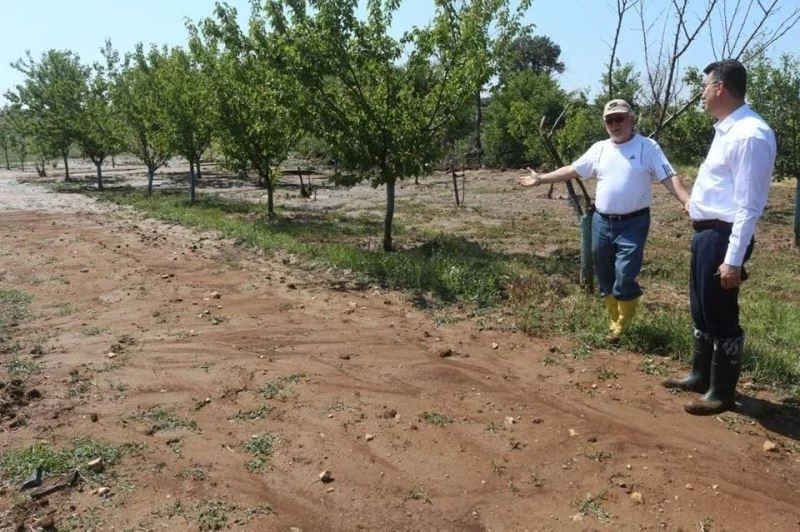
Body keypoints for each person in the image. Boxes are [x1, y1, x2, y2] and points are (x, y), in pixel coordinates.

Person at [518, 99, 689, 341]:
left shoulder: (647, 147)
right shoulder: (600, 149)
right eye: (610, 120)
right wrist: (542, 179)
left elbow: (668, 176)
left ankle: (624, 321)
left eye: (620, 118)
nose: (615, 124)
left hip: (634, 222)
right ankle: (613, 317)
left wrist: (686, 200)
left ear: (631, 120)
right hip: (602, 222)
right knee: (605, 272)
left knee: (625, 271)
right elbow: (573, 169)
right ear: (605, 124)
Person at [662, 59, 776, 416]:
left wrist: (733, 259)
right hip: (707, 232)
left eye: (704, 86)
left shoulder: (750, 135)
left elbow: (748, 205)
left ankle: (722, 391)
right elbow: (722, 188)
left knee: (720, 312)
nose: (701, 93)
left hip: (725, 236)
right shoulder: (727, 128)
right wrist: (698, 206)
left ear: (720, 88)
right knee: (702, 308)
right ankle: (700, 375)